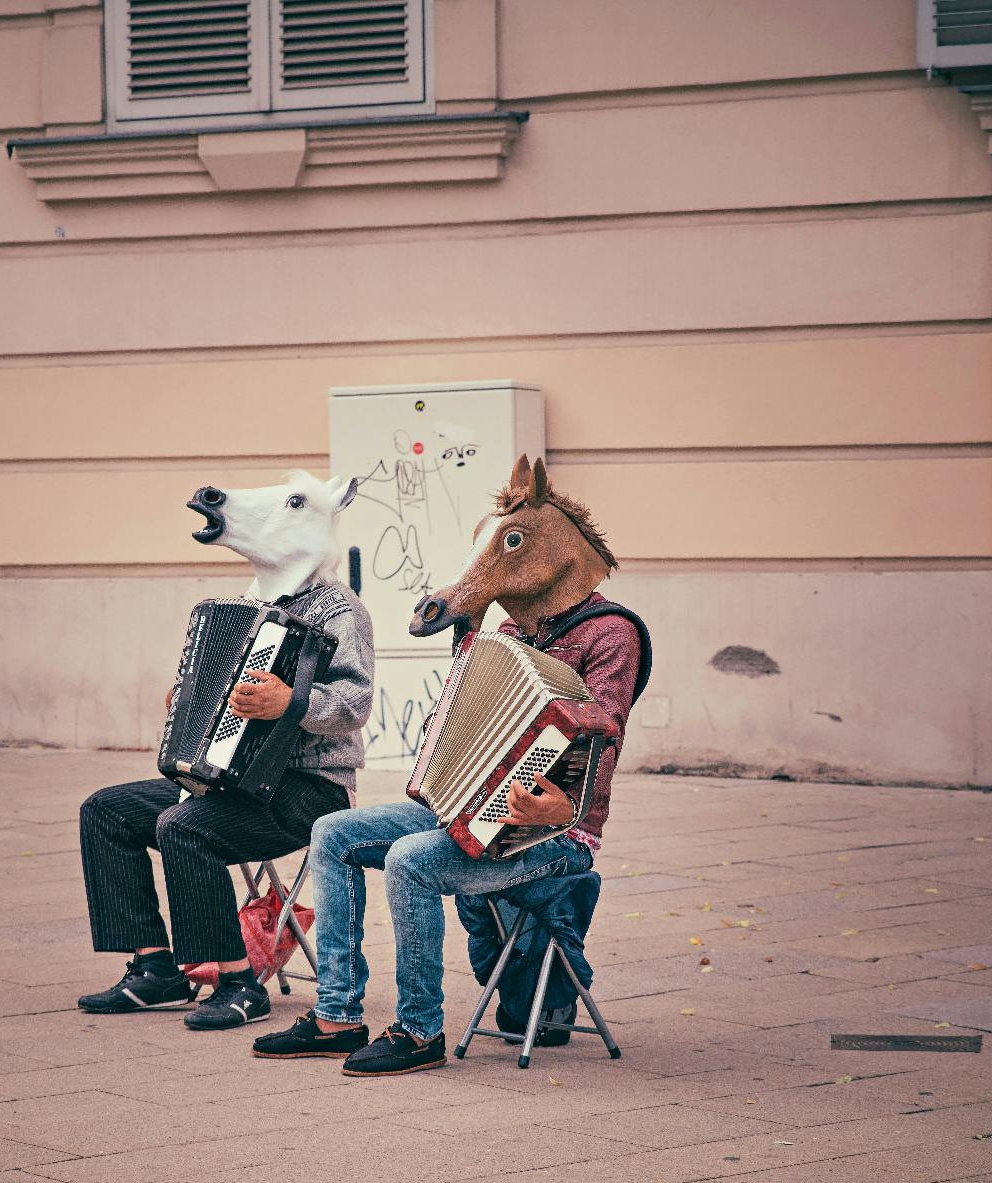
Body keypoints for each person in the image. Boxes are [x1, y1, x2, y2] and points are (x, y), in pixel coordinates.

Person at [253, 455, 647, 1073]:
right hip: (467, 815)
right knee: (332, 833)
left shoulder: (611, 635)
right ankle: (337, 1013)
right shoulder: (509, 638)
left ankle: (418, 1031)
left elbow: (603, 734)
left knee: (411, 861)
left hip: (559, 835)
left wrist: (559, 805)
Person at [76, 474, 374, 1031]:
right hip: (232, 780)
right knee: (106, 810)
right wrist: (186, 700)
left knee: (184, 826)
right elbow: (207, 685)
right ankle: (154, 967)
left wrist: (291, 702)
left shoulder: (339, 609)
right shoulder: (244, 605)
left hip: (310, 789)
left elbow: (354, 704)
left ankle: (239, 983)